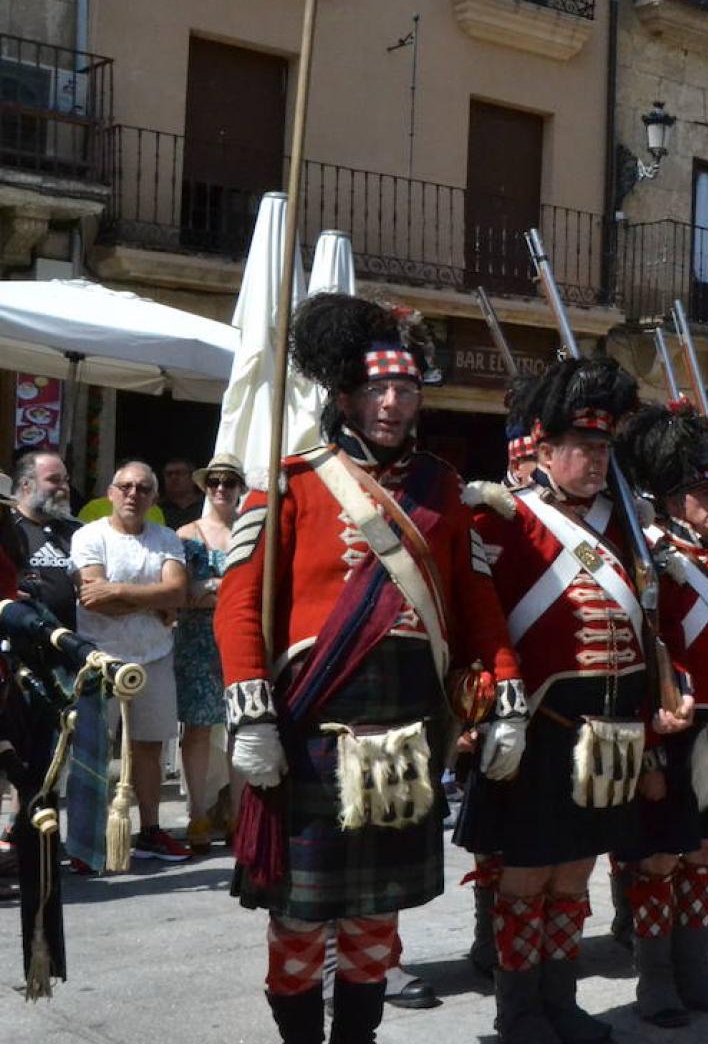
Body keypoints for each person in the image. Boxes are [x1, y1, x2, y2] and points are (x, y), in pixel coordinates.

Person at [215, 294, 529, 1044]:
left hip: (407, 728)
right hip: (310, 727)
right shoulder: (289, 480)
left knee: (373, 922)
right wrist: (250, 712)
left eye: (407, 390)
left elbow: (476, 602)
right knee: (298, 919)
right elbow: (238, 607)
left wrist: (506, 692)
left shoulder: (441, 487)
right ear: (346, 397)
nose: (393, 404)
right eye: (377, 391)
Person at [455, 356, 661, 1043]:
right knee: (526, 880)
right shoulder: (506, 518)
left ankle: (561, 1002)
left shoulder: (622, 525)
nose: (598, 461)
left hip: (608, 733)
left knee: (573, 877)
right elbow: (473, 618)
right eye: (583, 448)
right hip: (541, 727)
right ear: (544, 452)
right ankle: (519, 1012)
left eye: (605, 448)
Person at [619, 401, 708, 1022]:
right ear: (675, 499)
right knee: (659, 860)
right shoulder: (652, 554)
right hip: (679, 728)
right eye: (704, 491)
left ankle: (697, 968)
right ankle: (656, 980)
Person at [71, 460, 190, 862]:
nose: (132, 494)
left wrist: (119, 589)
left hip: (154, 657)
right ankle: (94, 838)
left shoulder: (167, 538)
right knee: (94, 749)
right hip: (100, 657)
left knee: (149, 749)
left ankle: (151, 831)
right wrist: (153, 601)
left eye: (142, 488)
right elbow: (93, 601)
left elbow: (177, 592)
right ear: (110, 493)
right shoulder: (89, 536)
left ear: (153, 497)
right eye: (125, 487)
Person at [174, 453, 246, 855]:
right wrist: (226, 588)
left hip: (240, 637)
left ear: (239, 488)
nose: (221, 488)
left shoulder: (252, 530)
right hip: (198, 641)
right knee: (198, 731)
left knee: (241, 726)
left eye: (229, 482)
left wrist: (211, 588)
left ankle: (238, 814)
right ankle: (197, 812)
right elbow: (184, 595)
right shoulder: (187, 534)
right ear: (205, 487)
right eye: (215, 481)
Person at [13, 450, 79, 630]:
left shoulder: (78, 531)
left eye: (65, 480)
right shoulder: (7, 528)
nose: (64, 488)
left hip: (73, 644)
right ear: (26, 485)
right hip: (19, 641)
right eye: (54, 480)